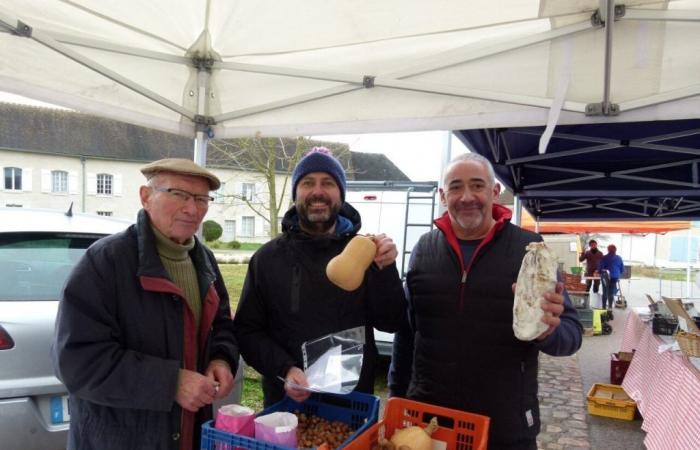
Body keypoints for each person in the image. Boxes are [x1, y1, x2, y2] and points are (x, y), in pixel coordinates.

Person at [388, 153, 582, 450]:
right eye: (455, 187)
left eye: (477, 186)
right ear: (443, 195)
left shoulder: (529, 252)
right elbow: (407, 331)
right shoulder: (423, 249)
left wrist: (549, 332)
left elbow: (572, 333)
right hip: (431, 423)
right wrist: (396, 396)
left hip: (504, 426)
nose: (467, 197)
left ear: (494, 192)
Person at [51, 158, 239, 450]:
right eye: (179, 195)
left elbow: (223, 325)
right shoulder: (104, 262)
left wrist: (220, 358)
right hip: (120, 439)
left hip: (188, 434)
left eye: (202, 199)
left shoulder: (204, 261)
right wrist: (170, 383)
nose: (192, 209)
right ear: (145, 196)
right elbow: (76, 360)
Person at [233, 146, 406, 406]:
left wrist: (386, 269)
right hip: (287, 402)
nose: (317, 191)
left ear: (341, 194)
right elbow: (248, 331)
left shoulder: (364, 252)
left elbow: (391, 322)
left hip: (352, 402)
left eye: (328, 183)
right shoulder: (267, 259)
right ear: (296, 194)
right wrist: (285, 369)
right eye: (307, 183)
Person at [598, 244, 625, 311]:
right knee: (611, 292)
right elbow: (622, 269)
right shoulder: (619, 258)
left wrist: (599, 272)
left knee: (605, 291)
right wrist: (618, 273)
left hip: (605, 276)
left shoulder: (604, 258)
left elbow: (600, 268)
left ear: (608, 250)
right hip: (615, 277)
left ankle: (604, 307)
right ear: (615, 250)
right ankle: (610, 307)